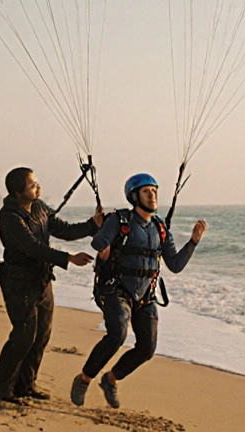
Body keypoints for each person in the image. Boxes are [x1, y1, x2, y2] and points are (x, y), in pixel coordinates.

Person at [70, 173, 206, 408]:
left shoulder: (160, 227)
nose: (152, 195)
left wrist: (193, 241)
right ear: (134, 196)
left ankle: (110, 380)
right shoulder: (119, 220)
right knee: (117, 335)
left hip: (146, 295)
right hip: (117, 290)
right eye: (146, 191)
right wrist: (103, 247)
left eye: (154, 190)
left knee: (147, 348)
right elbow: (98, 242)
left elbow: (175, 265)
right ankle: (84, 379)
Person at [0, 167, 102, 403]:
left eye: (36, 183)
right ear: (18, 192)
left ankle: (25, 386)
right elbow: (33, 247)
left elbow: (65, 230)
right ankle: (0, 388)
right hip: (18, 282)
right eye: (32, 186)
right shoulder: (9, 217)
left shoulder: (40, 208)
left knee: (42, 334)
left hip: (41, 280)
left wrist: (93, 224)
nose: (38, 188)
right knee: (24, 335)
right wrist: (68, 258)